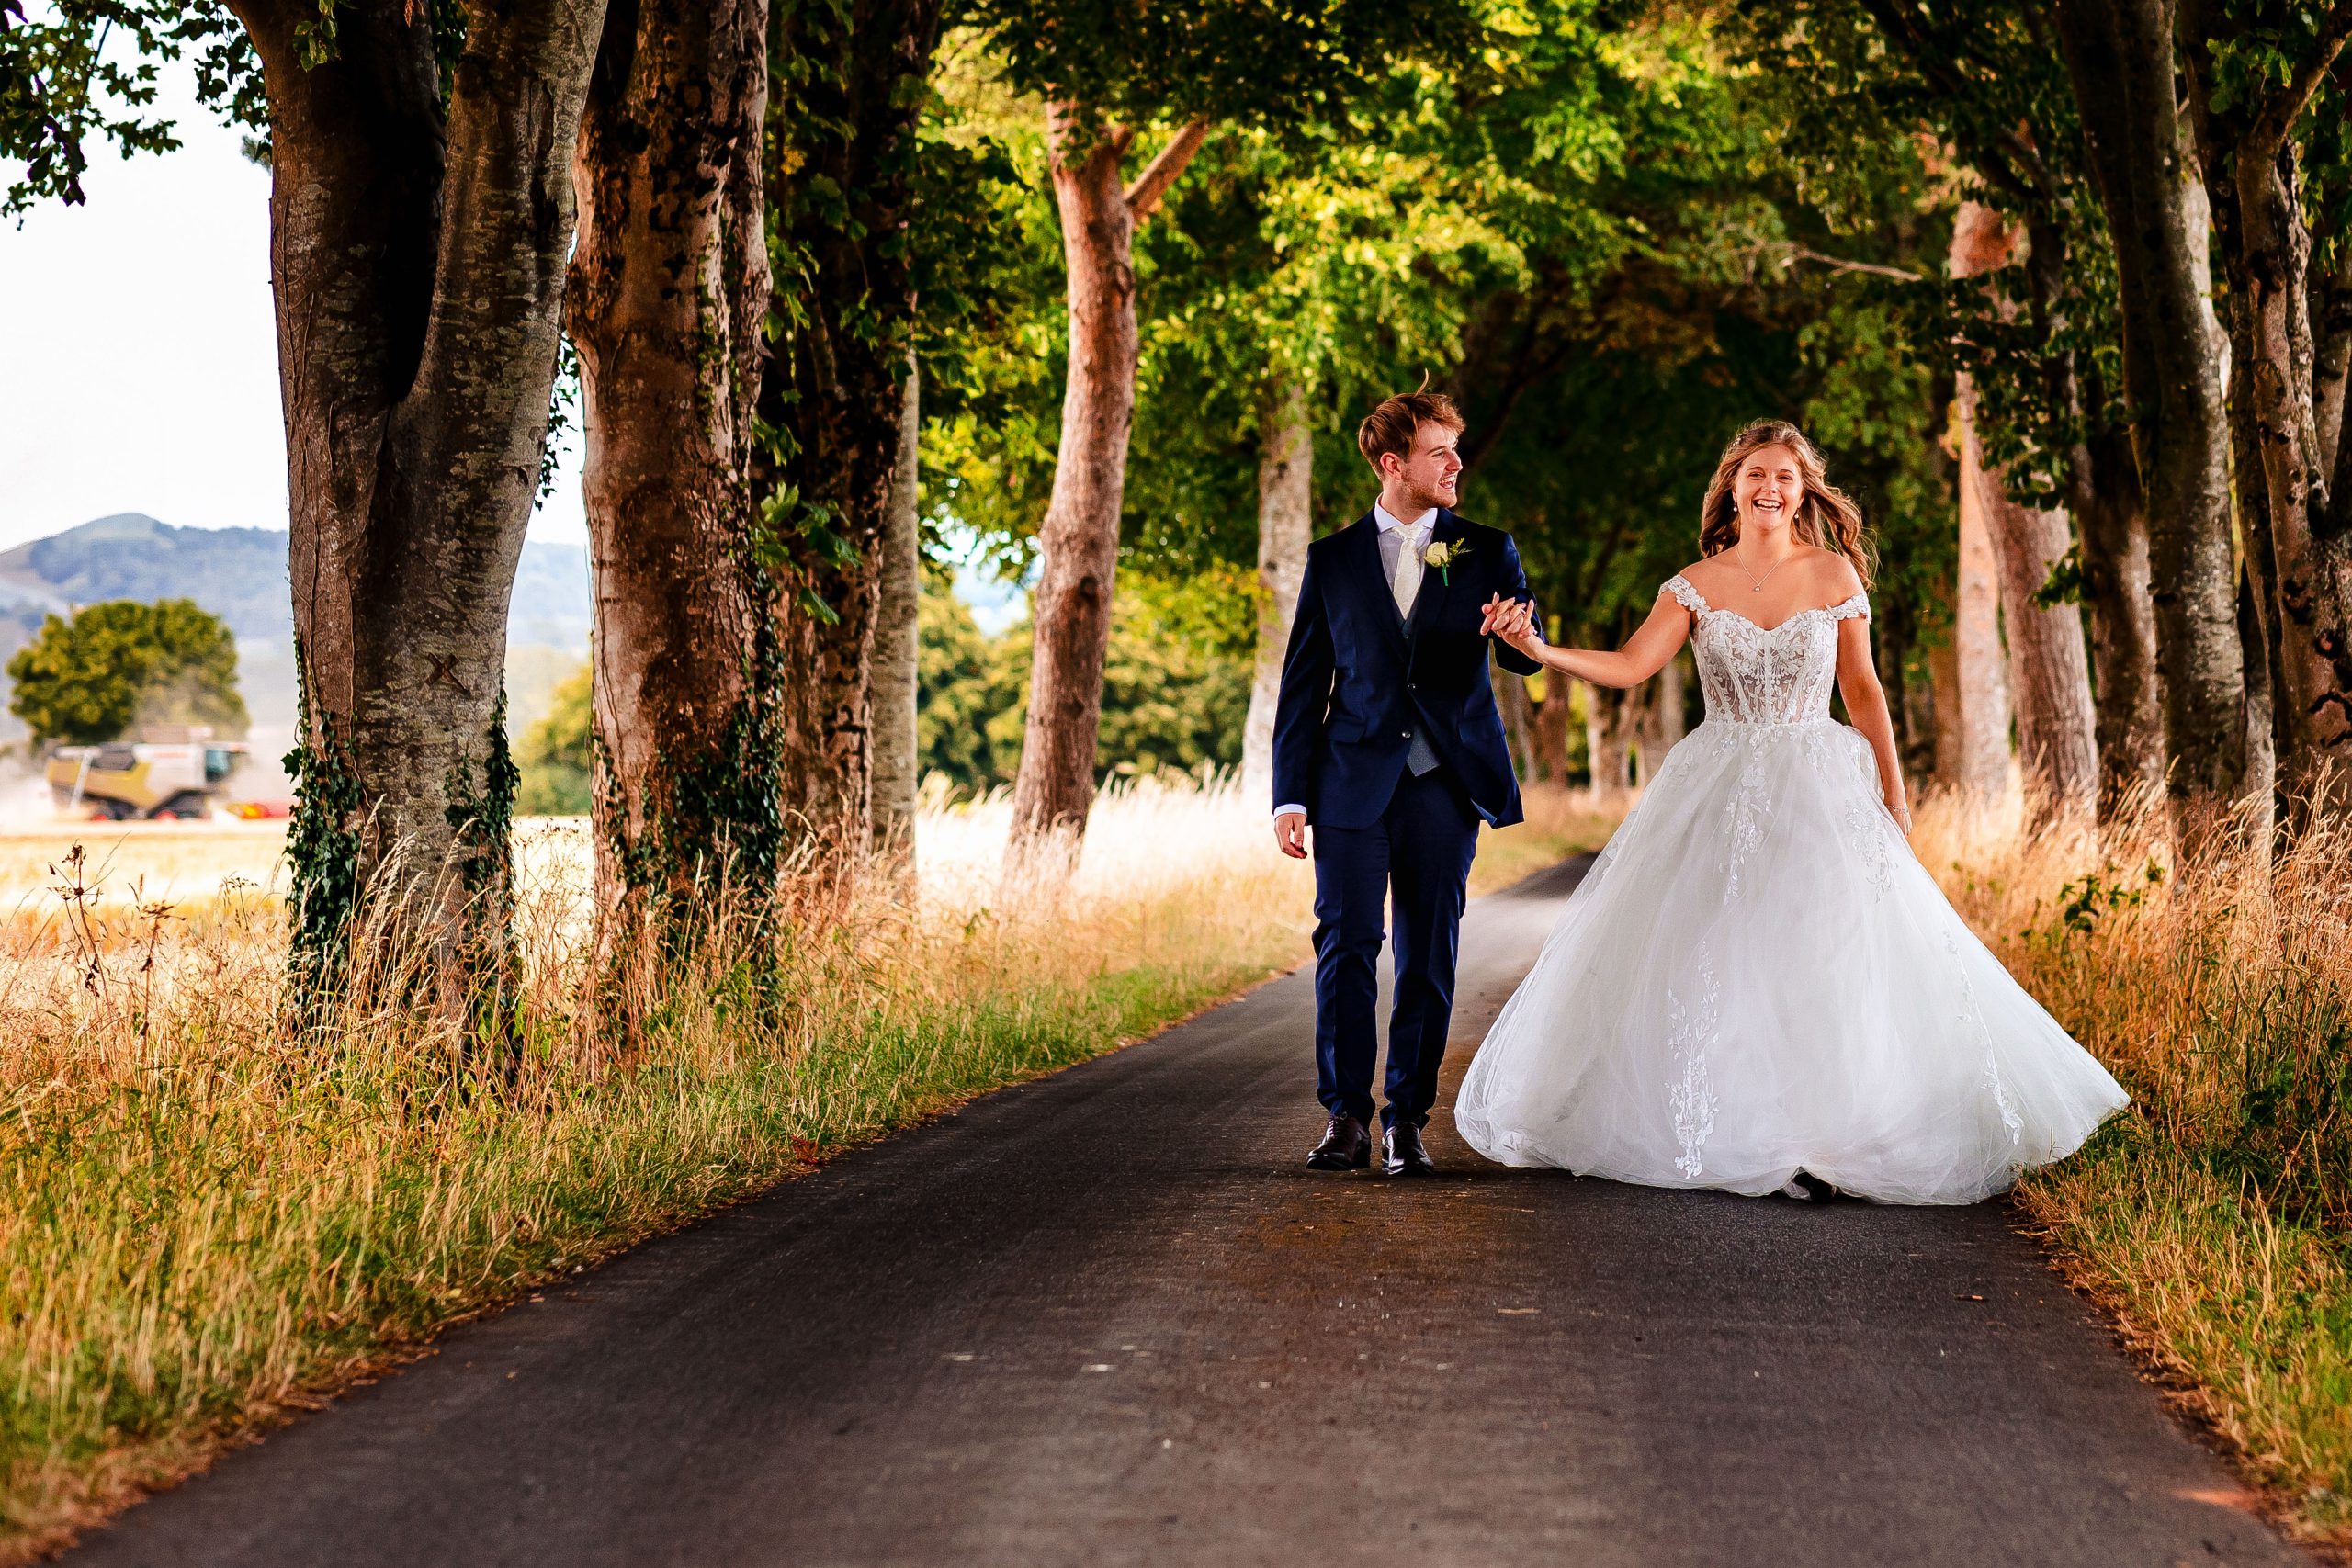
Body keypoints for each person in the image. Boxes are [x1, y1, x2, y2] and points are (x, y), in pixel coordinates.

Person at [1457, 419, 2127, 1204]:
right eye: (1756, 474)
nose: (1769, 487)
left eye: (1784, 475)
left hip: (1820, 784)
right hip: (1717, 787)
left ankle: (1828, 1135)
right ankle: (1743, 1127)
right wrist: (1541, 651)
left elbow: (1863, 690)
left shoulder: (1833, 573)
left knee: (1824, 949)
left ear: (1804, 490)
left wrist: (1894, 793)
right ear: (1732, 489)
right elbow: (1632, 665)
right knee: (1721, 951)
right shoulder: (1693, 584)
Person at [1271, 389, 1543, 1177]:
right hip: (1349, 783)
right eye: (1439, 451)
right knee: (1345, 945)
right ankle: (1345, 1117)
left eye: (1457, 448)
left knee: (1428, 952)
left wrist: (1520, 634)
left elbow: (1524, 652)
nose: (1457, 463)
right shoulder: (1333, 559)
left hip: (1443, 785)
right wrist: (1290, 795)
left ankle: (1407, 1121)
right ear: (1394, 464)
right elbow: (1303, 685)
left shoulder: (1487, 549)